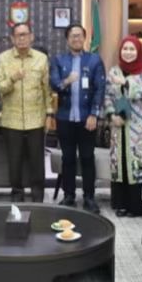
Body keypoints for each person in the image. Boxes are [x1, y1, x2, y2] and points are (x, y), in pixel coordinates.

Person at [50, 23, 106, 213]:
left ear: (84, 38)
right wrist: (67, 81)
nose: (76, 39)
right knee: (68, 158)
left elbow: (99, 89)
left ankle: (89, 197)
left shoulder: (94, 60)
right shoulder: (59, 60)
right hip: (65, 118)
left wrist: (94, 114)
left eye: (79, 35)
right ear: (67, 39)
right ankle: (69, 196)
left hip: (86, 118)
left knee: (87, 157)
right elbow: (54, 85)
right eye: (73, 36)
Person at [0, 23, 51, 203]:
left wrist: (49, 114)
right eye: (18, 35)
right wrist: (12, 79)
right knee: (14, 161)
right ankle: (17, 194)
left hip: (36, 119)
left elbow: (47, 90)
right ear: (12, 38)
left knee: (37, 161)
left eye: (25, 34)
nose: (21, 38)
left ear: (31, 37)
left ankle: (38, 196)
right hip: (11, 120)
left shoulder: (41, 59)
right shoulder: (3, 59)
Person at [104, 36, 142, 216]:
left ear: (138, 52)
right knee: (119, 162)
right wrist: (111, 115)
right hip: (118, 126)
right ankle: (121, 204)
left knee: (136, 163)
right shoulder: (114, 71)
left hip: (137, 127)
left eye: (132, 49)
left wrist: (125, 83)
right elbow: (107, 95)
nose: (128, 52)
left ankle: (136, 206)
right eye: (125, 49)